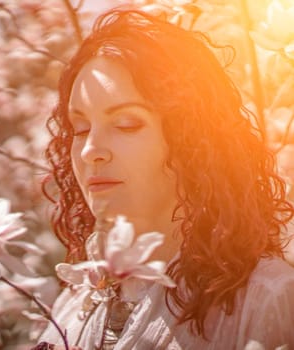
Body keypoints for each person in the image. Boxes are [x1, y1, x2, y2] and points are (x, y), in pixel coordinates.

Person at [38, 8, 294, 350]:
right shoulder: (74, 302)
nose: (90, 151)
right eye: (80, 129)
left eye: (126, 123)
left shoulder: (270, 298)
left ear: (192, 139)